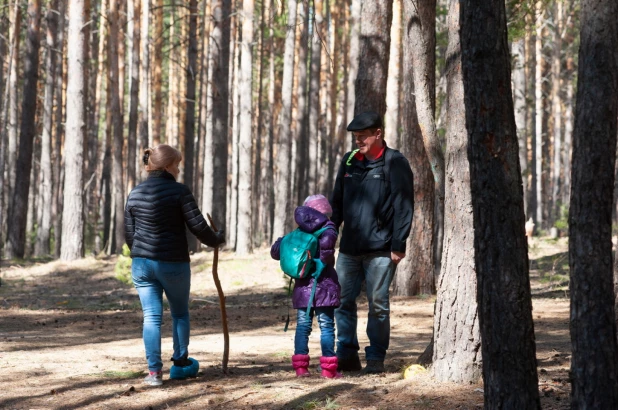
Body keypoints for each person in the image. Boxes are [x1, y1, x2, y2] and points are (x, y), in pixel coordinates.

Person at [124, 144, 225, 386]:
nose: (179, 169)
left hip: (141, 263)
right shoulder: (179, 191)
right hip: (172, 264)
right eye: (177, 165)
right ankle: (180, 365)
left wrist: (140, 253)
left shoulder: (135, 193)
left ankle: (154, 373)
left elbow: (130, 233)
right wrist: (216, 239)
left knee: (151, 316)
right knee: (179, 313)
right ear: (167, 166)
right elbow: (198, 225)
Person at [330, 111, 414, 374]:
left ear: (378, 133)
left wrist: (398, 244)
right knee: (341, 301)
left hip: (381, 249)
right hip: (349, 249)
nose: (358, 141)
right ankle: (346, 354)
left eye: (363, 136)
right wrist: (328, 235)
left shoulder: (395, 162)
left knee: (378, 303)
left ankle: (376, 358)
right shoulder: (350, 161)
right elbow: (337, 202)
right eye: (356, 137)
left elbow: (404, 206)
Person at [270, 195, 342, 378]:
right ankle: (328, 369)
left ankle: (301, 368)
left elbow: (276, 251)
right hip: (324, 285)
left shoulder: (298, 231)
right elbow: (326, 255)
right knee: (326, 326)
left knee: (303, 326)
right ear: (326, 212)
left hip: (302, 287)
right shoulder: (329, 229)